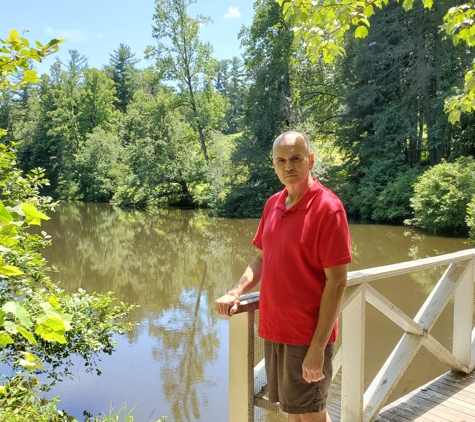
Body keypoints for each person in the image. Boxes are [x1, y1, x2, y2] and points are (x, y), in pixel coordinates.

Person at [215, 131, 352, 422]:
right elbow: (261, 258)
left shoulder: (328, 208)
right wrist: (236, 291)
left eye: (295, 158)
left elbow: (337, 282)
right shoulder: (273, 204)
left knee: (312, 414)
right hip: (275, 331)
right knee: (294, 412)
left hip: (307, 335)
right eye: (281, 160)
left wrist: (317, 348)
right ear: (274, 165)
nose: (288, 166)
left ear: (310, 160)